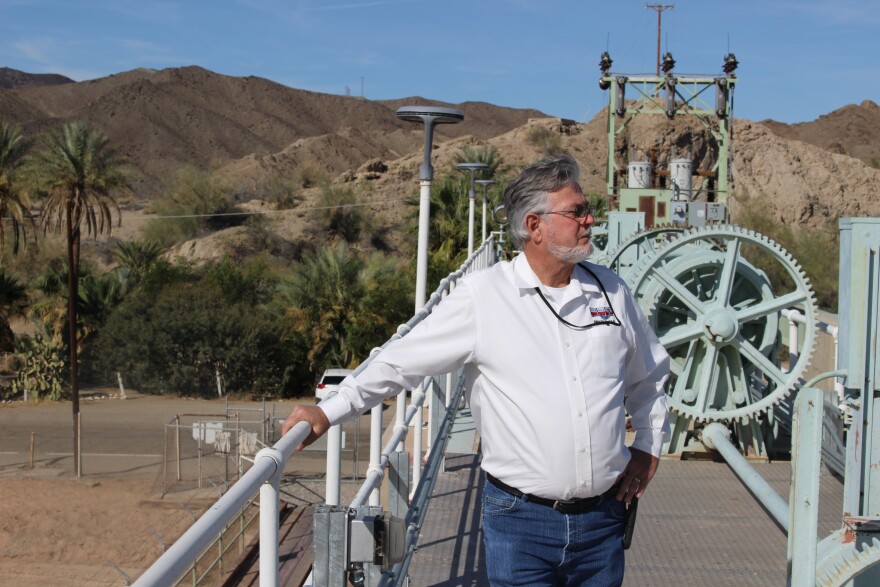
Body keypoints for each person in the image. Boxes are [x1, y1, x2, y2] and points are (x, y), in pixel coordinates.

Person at [283, 153, 670, 587]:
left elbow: (650, 376)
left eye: (587, 209)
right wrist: (328, 411)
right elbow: (400, 361)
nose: (590, 219)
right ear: (535, 226)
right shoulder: (484, 297)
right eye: (576, 211)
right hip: (521, 523)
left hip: (602, 523)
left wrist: (649, 445)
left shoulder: (611, 291)